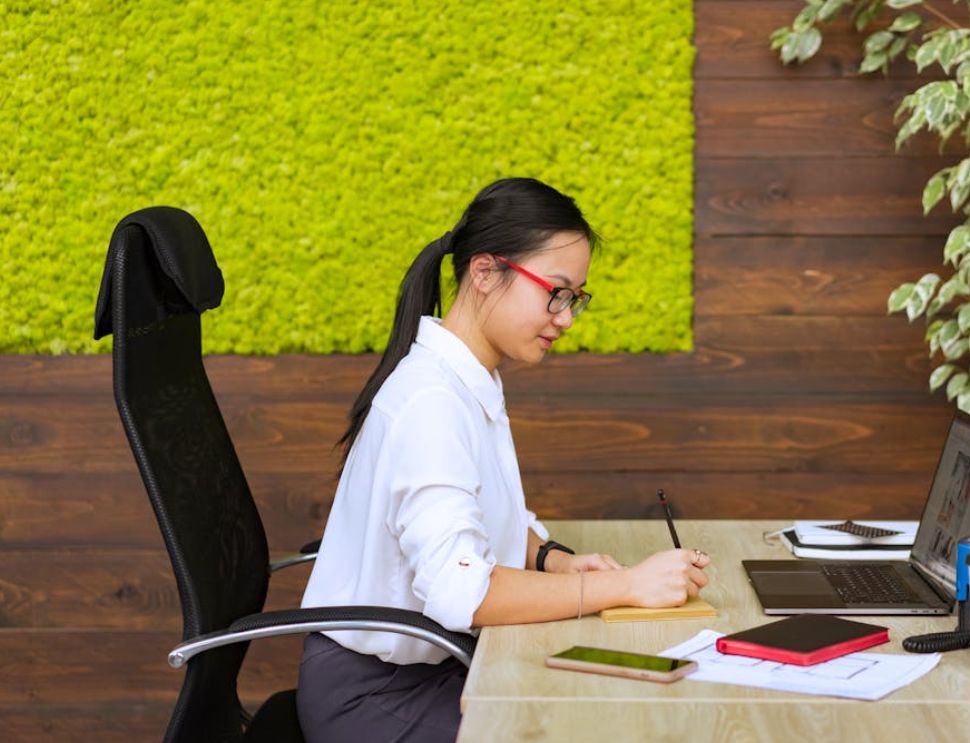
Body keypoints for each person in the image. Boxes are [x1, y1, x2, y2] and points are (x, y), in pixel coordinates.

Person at [296, 177, 711, 743]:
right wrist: (625, 587)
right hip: (378, 697)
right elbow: (461, 590)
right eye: (556, 292)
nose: (565, 317)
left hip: (438, 669)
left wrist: (557, 563)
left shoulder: (467, 380)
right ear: (486, 272)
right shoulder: (431, 402)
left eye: (575, 299)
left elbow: (481, 523)